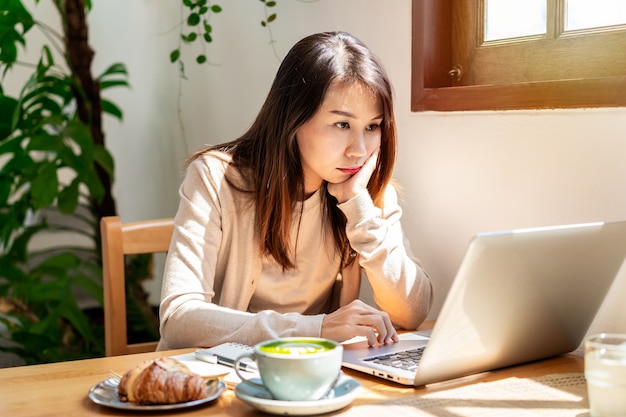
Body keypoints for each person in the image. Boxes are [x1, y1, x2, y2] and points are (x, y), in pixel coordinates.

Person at [157, 31, 432, 351]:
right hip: (217, 378)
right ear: (294, 118)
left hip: (310, 379)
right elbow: (178, 318)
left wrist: (359, 208)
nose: (359, 150)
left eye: (372, 126)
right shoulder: (215, 178)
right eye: (342, 124)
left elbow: (412, 312)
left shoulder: (367, 193)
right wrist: (316, 328)